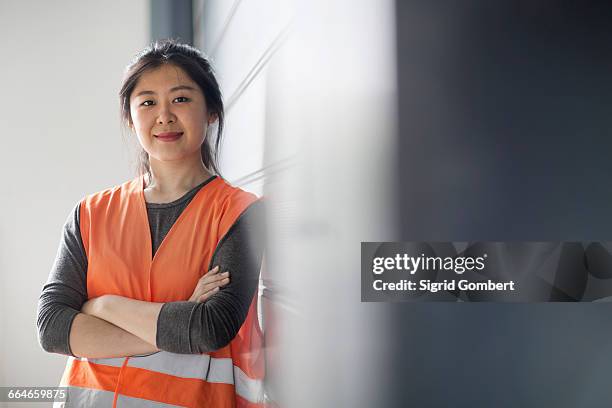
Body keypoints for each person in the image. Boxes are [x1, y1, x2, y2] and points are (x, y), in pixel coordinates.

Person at [36, 40, 266, 407]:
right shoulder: (91, 213)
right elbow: (51, 328)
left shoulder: (240, 213)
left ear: (211, 112)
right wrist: (174, 323)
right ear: (130, 117)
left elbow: (209, 328)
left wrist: (102, 307)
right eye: (147, 102)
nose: (164, 116)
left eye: (181, 99)